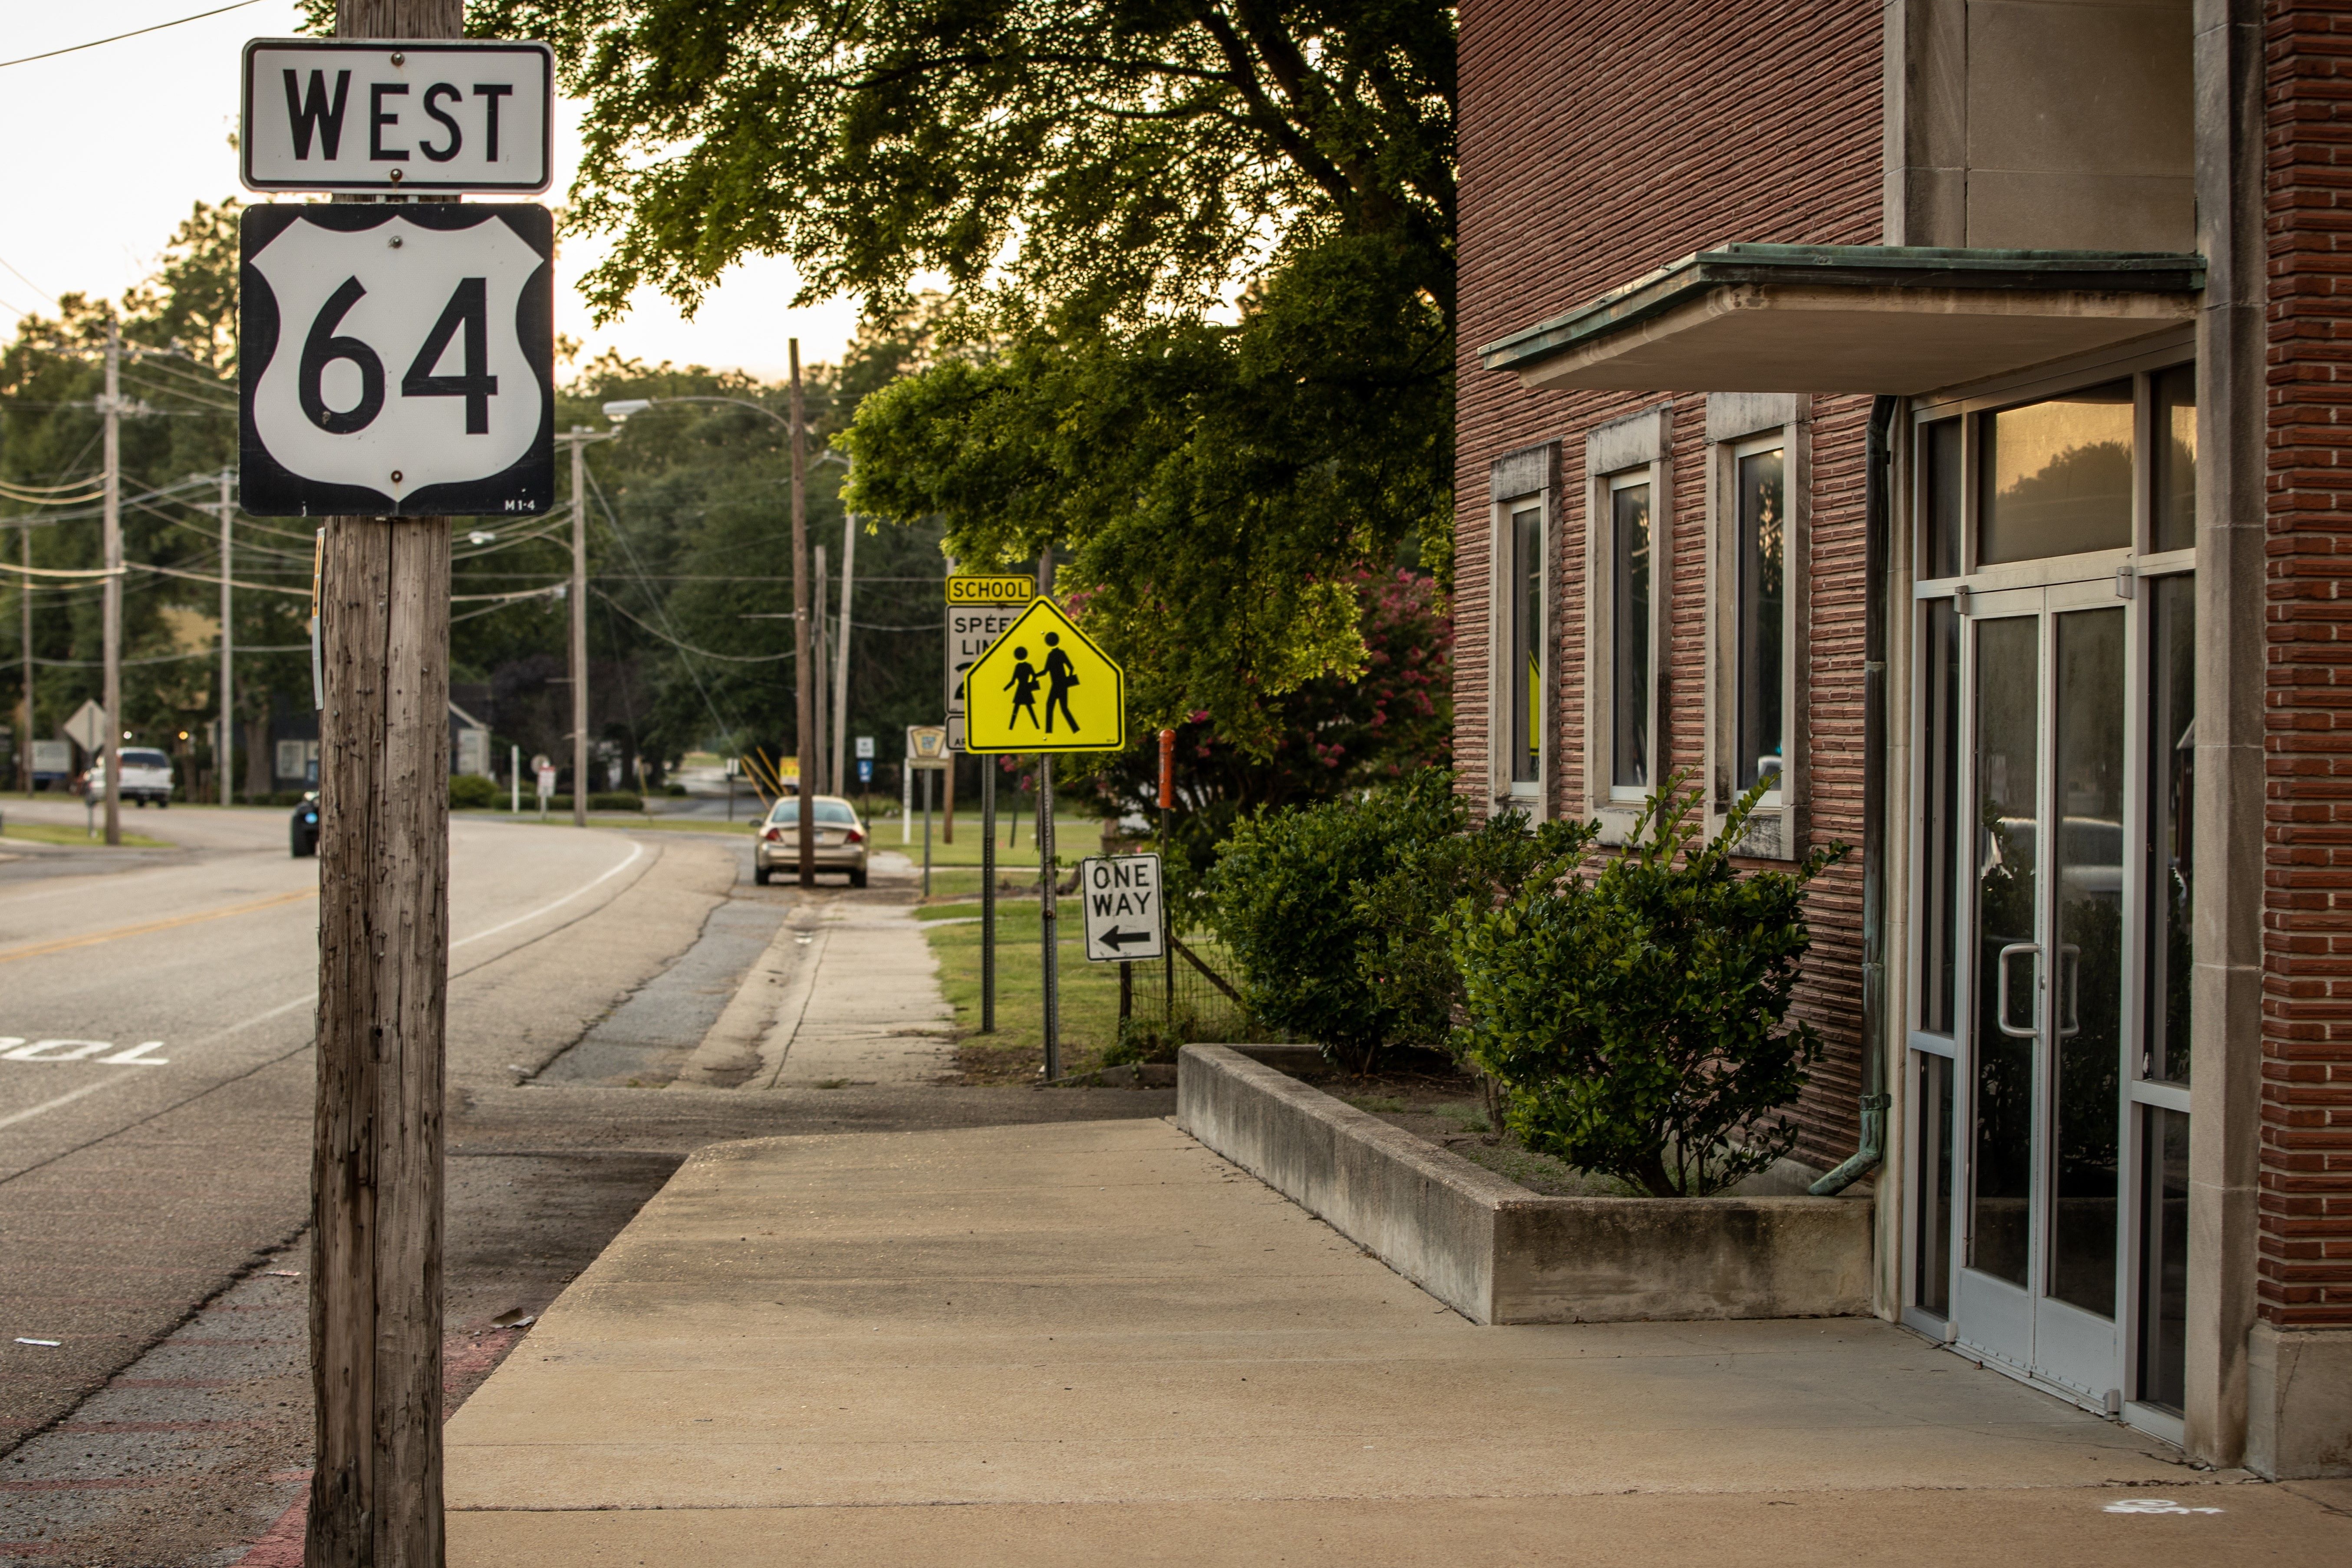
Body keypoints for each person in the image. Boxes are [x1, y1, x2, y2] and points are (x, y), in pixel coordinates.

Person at [1042, 631, 1080, 734]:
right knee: (1061, 708)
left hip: (1057, 685)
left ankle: (1049, 731)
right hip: (1061, 685)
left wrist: (1035, 676)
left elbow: (1045, 671)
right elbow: (1071, 668)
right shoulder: (1060, 654)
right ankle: (1074, 729)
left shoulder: (1051, 655)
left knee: (1052, 707)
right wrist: (1067, 679)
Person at [1003, 646, 1042, 731]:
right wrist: (1031, 684)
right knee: (1029, 709)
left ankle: (1011, 727)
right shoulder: (1029, 666)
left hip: (1021, 689)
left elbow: (1013, 681)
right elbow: (1034, 676)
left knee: (1017, 709)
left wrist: (1006, 689)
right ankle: (1037, 726)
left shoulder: (1018, 667)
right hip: (1026, 689)